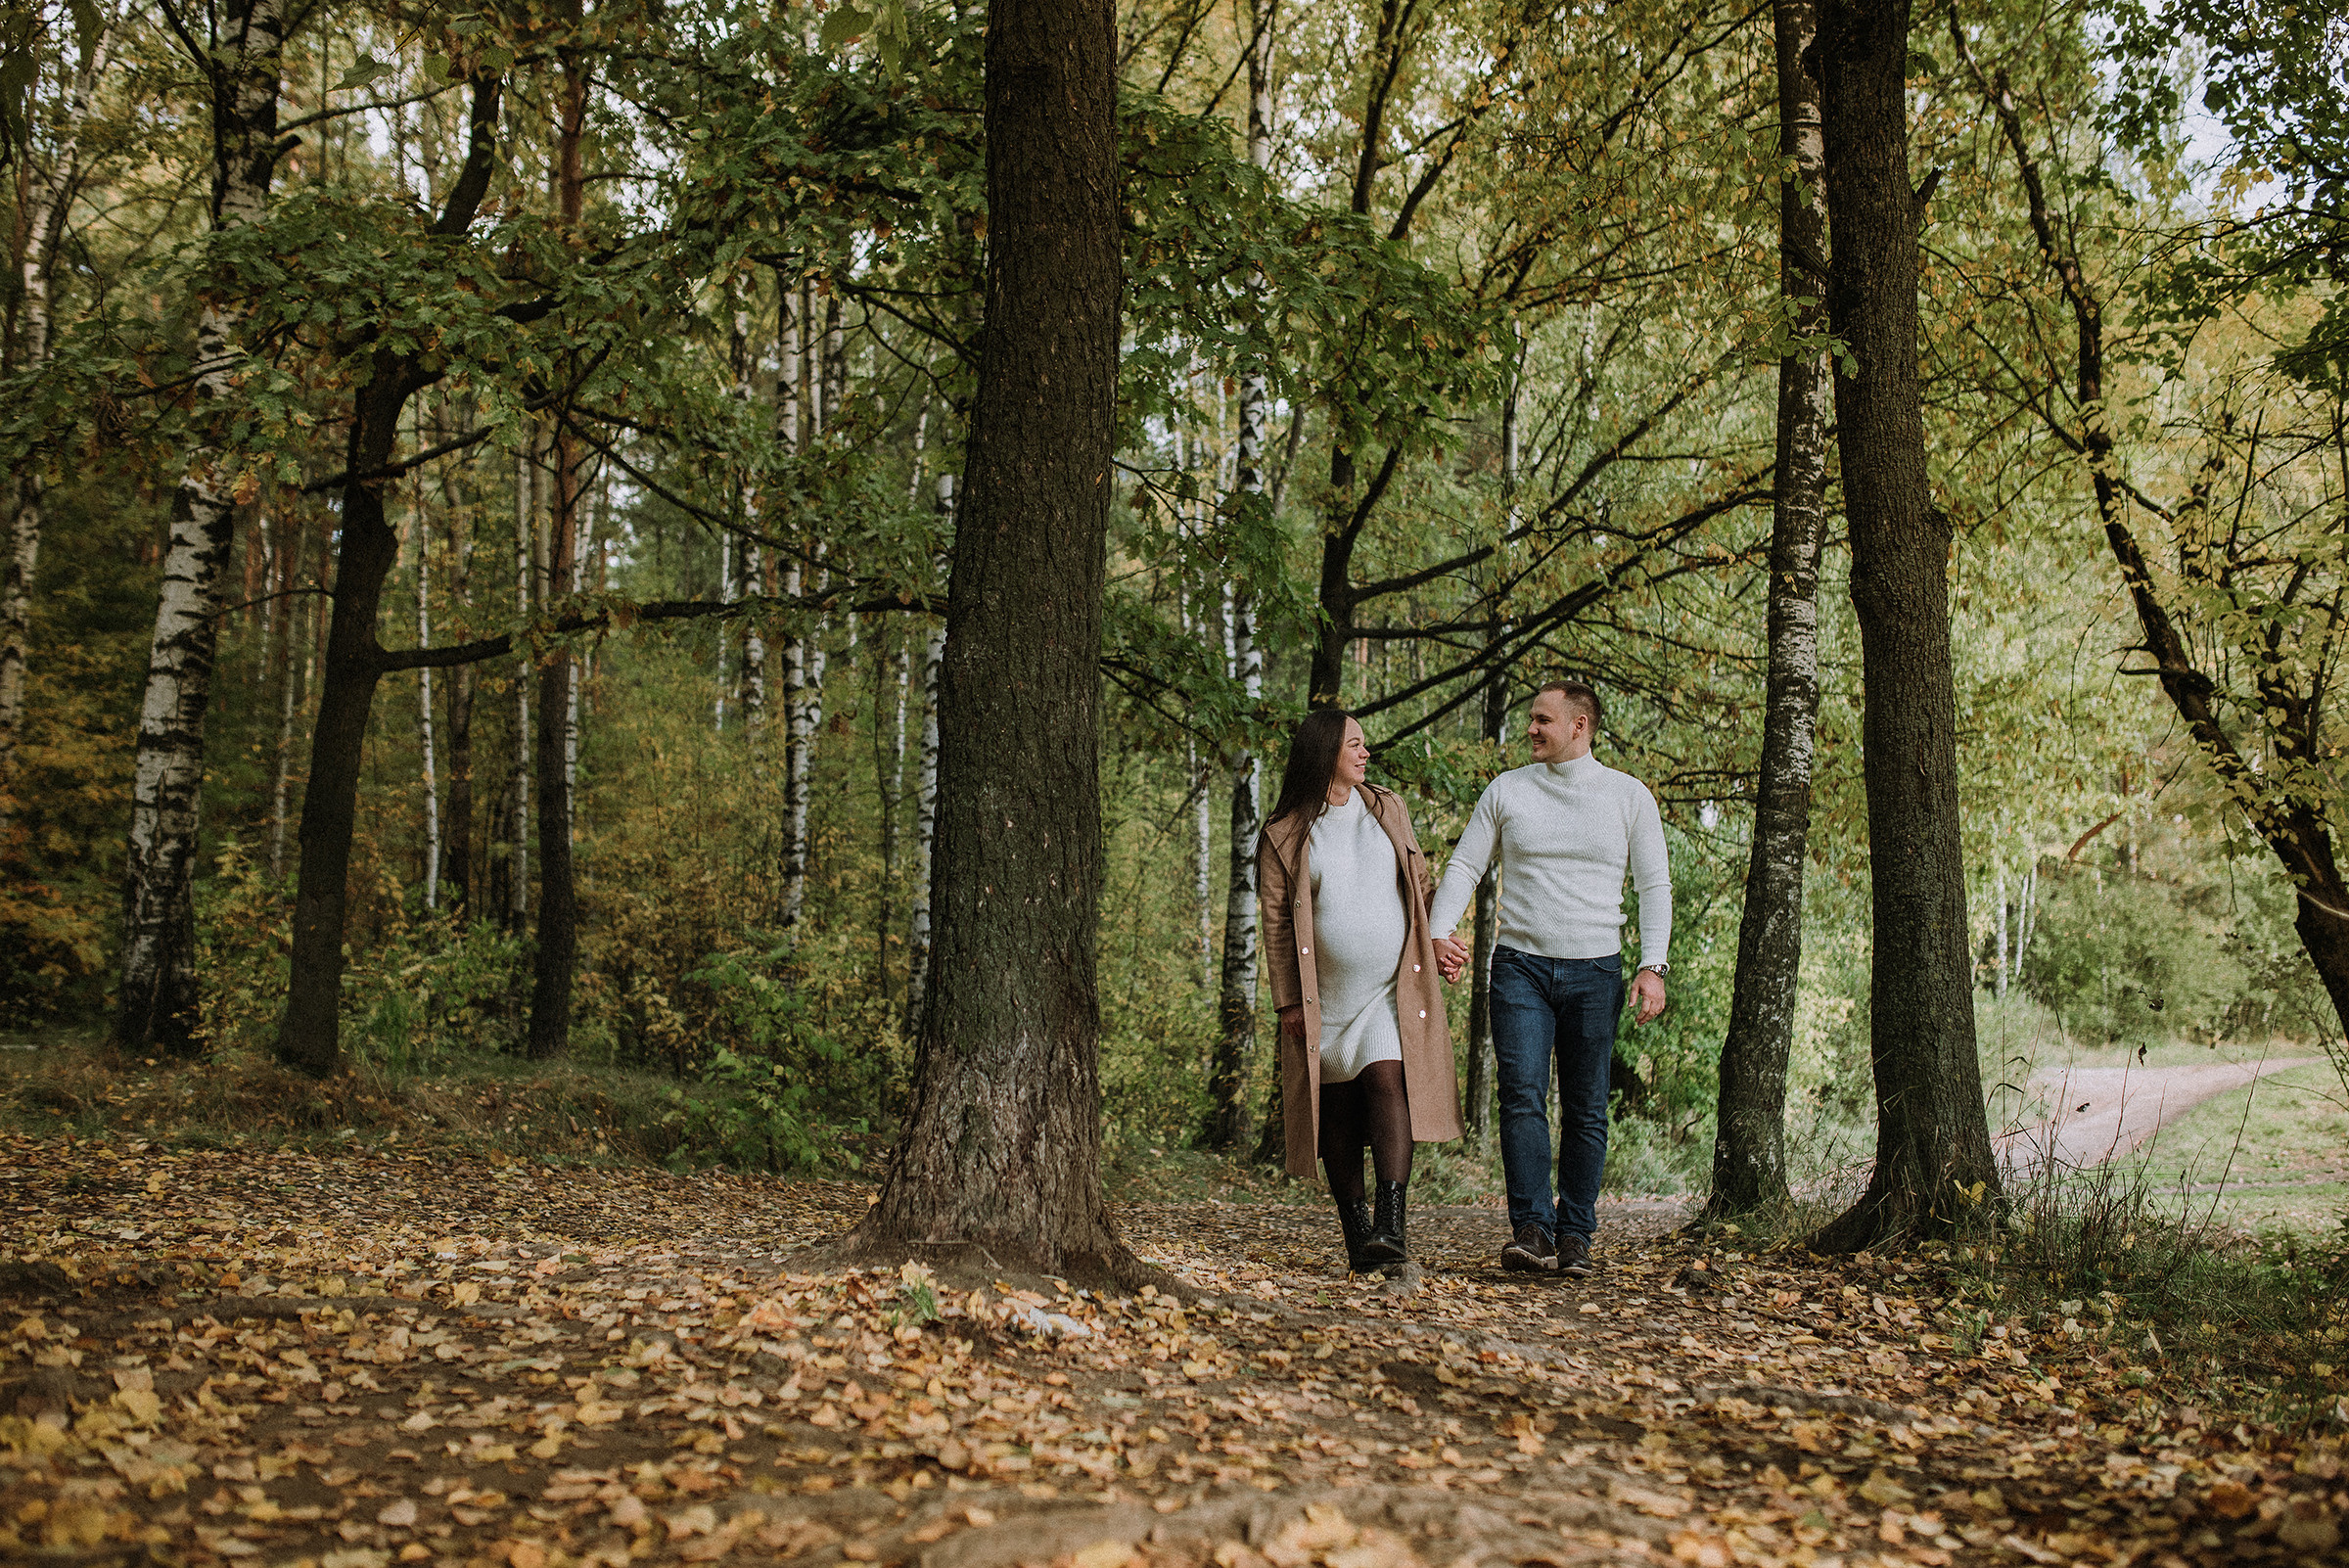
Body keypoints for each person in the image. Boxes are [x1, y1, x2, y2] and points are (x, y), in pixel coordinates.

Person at [1427, 680, 1670, 1278]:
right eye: (1531, 719)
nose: (1530, 728)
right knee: (1522, 1099)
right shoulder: (1507, 791)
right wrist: (1438, 930)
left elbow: (1654, 886)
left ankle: (1577, 1235)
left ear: (1579, 726)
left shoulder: (1628, 797)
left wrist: (1652, 966)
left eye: (1542, 719)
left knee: (1587, 1108)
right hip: (1520, 968)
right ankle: (1532, 1230)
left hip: (1596, 970)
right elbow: (1465, 864)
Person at [1259, 710, 1463, 1271]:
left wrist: (1438, 938)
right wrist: (1288, 1001)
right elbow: (1276, 922)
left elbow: (1419, 882)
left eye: (1365, 744)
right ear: (1326, 752)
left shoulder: (1386, 808)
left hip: (1389, 990)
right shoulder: (1284, 834)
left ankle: (1391, 1227)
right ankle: (1357, 1236)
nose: (1365, 753)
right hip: (1324, 998)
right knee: (1339, 1117)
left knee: (1385, 1078)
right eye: (1355, 744)